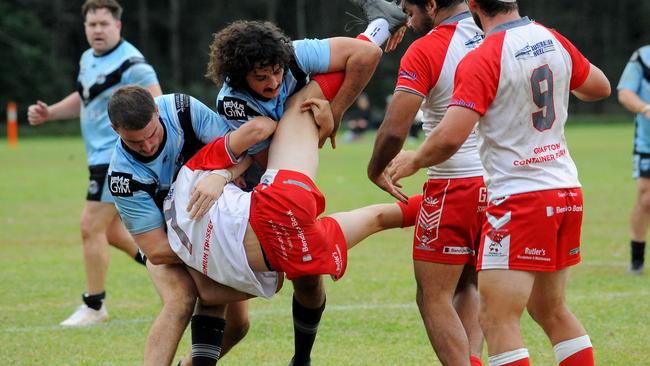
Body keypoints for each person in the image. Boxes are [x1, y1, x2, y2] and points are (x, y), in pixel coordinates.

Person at [386, 1, 610, 365]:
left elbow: (449, 137)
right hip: (566, 190)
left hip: (520, 199)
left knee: (496, 318)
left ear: (473, 5)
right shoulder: (550, 37)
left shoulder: (486, 55)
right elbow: (598, 87)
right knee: (551, 310)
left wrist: (414, 159)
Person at [164, 80, 421, 365]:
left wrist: (223, 176)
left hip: (271, 242)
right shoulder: (195, 168)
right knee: (307, 100)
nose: (272, 82)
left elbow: (379, 218)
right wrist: (332, 111)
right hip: (278, 210)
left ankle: (299, 359)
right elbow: (261, 129)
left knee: (377, 219)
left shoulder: (179, 195)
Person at [204, 15, 404, 366]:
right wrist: (311, 109)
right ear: (239, 76)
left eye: (277, 72)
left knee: (309, 277)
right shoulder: (233, 103)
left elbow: (365, 57)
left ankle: (302, 359)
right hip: (251, 184)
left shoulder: (294, 53)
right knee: (226, 308)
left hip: (289, 183)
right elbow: (267, 157)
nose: (273, 83)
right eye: (260, 78)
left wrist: (336, 110)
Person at [106, 86, 275, 365]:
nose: (147, 146)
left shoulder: (181, 110)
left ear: (157, 112)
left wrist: (223, 175)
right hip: (171, 246)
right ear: (115, 129)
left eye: (151, 135)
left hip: (215, 224)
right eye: (136, 143)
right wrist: (214, 248)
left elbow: (241, 149)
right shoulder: (123, 176)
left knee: (238, 327)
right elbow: (157, 250)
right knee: (181, 300)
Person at [26, 0, 161, 326]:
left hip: (116, 156)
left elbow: (159, 106)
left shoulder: (133, 64)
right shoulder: (89, 58)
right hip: (97, 157)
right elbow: (85, 97)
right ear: (85, 27)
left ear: (118, 26)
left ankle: (94, 304)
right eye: (92, 25)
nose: (97, 30)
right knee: (113, 232)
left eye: (103, 24)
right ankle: (174, 268)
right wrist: (51, 114)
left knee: (90, 226)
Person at [367, 1, 485, 365]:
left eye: (408, 8)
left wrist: (376, 168)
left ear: (431, 5)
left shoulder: (428, 48)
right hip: (501, 180)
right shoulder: (493, 34)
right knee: (469, 282)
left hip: (454, 183)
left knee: (432, 295)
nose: (405, 16)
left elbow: (394, 130)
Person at [617, 44, 650, 275]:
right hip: (647, 144)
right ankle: (636, 259)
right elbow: (625, 92)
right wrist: (645, 108)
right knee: (647, 199)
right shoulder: (643, 57)